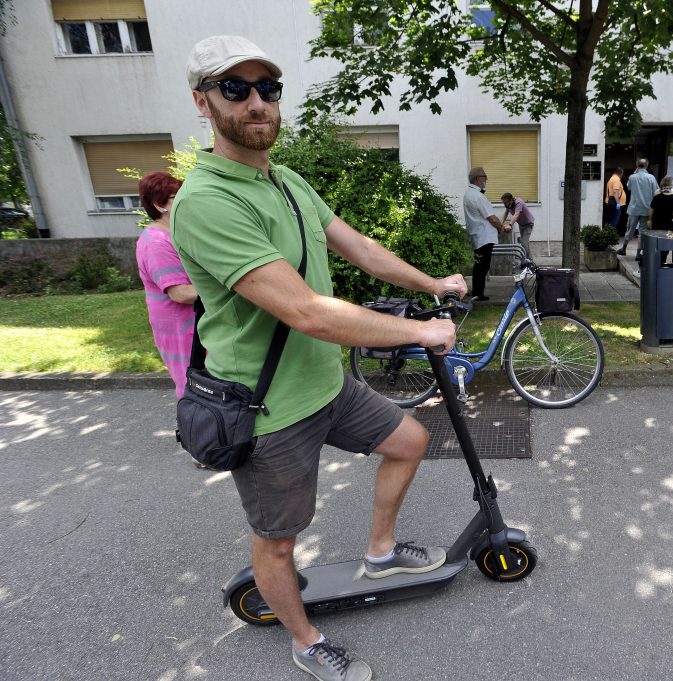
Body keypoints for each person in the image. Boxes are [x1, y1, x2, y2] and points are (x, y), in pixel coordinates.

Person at [171, 35, 468, 681]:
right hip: (267, 406)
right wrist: (419, 333)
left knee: (410, 439)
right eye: (236, 89)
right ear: (203, 101)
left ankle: (382, 551)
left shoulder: (287, 179)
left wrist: (431, 285)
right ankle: (306, 641)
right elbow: (305, 310)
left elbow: (357, 245)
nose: (256, 102)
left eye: (267, 88)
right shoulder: (206, 202)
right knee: (278, 540)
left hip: (323, 382)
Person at [135, 171, 195, 399]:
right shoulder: (156, 241)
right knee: (195, 388)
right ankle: (200, 430)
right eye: (177, 196)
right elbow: (180, 293)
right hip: (180, 329)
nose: (184, 201)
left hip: (196, 324)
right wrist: (227, 287)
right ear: (160, 205)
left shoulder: (177, 234)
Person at [464, 166, 507, 300]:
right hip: (485, 236)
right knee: (483, 266)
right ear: (477, 179)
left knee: (479, 266)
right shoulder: (478, 196)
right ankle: (478, 294)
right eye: (484, 177)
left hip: (477, 235)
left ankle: (477, 292)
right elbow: (492, 217)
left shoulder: (468, 194)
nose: (486, 180)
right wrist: (501, 227)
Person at [618, 158, 659, 255]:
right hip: (647, 208)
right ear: (647, 165)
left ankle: (624, 249)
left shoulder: (632, 177)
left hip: (634, 208)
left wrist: (636, 172)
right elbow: (656, 191)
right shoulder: (651, 178)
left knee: (630, 229)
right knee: (642, 231)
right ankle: (638, 254)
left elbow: (629, 187)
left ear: (637, 165)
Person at [500, 192, 535, 260]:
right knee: (525, 243)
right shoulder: (509, 205)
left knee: (524, 243)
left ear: (510, 200)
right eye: (503, 203)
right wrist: (500, 224)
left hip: (528, 224)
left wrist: (510, 225)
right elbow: (506, 213)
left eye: (505, 203)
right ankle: (528, 259)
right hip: (521, 224)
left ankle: (527, 260)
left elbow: (516, 215)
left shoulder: (519, 202)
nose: (504, 204)